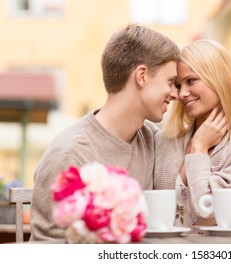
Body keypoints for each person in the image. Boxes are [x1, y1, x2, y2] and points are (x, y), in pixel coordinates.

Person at [30, 24, 180, 241]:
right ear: (142, 76)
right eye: (171, 82)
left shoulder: (152, 139)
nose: (176, 94)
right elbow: (47, 248)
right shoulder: (69, 154)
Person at [154, 39, 231, 228]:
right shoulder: (164, 141)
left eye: (191, 81)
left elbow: (208, 215)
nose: (182, 94)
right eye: (177, 85)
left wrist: (199, 148)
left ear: (219, 80)